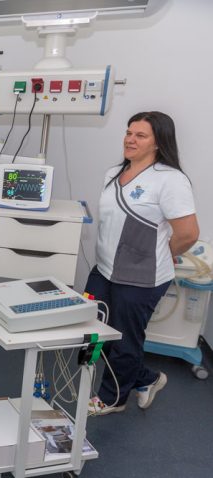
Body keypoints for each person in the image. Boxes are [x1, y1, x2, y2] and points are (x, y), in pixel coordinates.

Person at [86, 111, 199, 415]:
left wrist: (160, 253)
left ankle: (113, 398)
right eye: (128, 133)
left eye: (140, 135)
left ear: (158, 142)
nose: (130, 139)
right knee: (97, 331)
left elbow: (188, 234)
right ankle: (146, 378)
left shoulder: (170, 180)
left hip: (141, 277)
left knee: (124, 340)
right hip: (104, 270)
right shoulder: (113, 173)